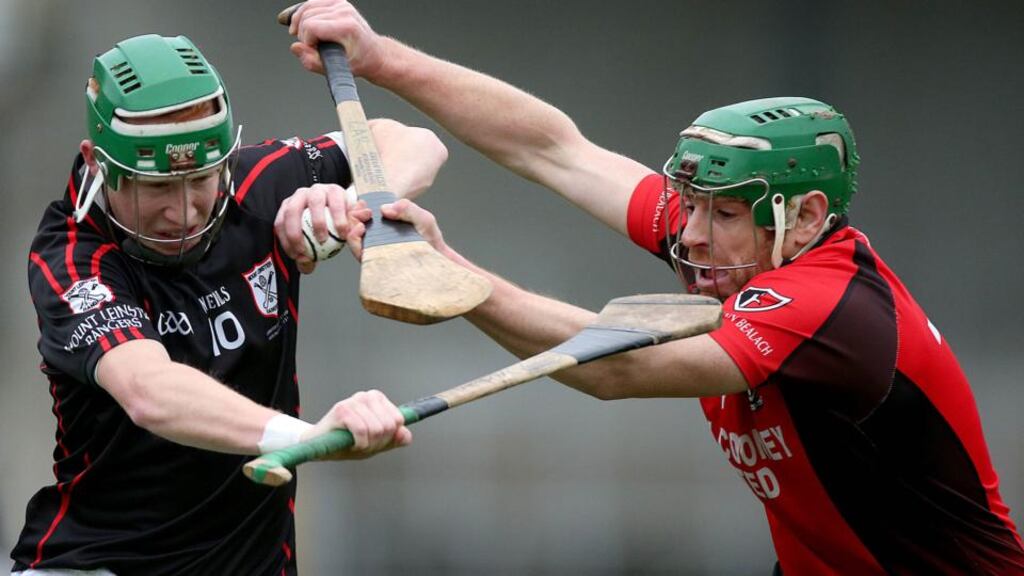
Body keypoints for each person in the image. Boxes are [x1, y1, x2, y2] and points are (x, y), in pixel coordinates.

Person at [287, 1, 1024, 573]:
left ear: (804, 217)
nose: (692, 233)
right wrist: (381, 58)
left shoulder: (829, 305)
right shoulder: (734, 244)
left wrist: (455, 278)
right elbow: (552, 150)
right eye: (692, 204)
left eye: (724, 212)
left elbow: (623, 366)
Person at [12, 32, 447, 575]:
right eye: (157, 188)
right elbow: (150, 392)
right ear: (98, 164)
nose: (186, 211)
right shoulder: (73, 254)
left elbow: (415, 143)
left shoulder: (254, 184)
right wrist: (305, 437)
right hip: (102, 564)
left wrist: (350, 207)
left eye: (200, 180)